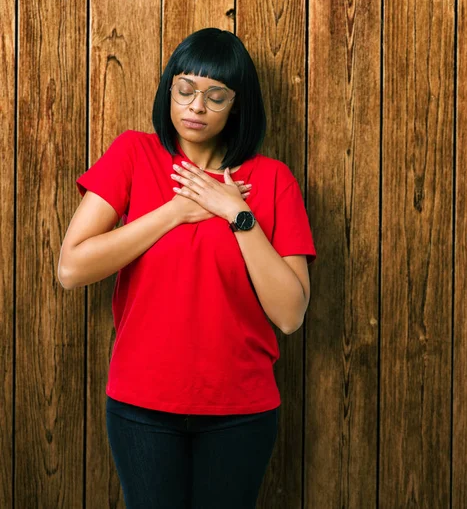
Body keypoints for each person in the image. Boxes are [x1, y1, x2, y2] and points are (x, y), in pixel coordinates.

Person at [57, 28, 316, 508]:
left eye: (215, 96)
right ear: (169, 91)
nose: (196, 106)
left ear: (236, 105)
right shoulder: (134, 155)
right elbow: (71, 268)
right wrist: (176, 211)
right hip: (142, 405)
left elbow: (290, 315)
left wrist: (236, 214)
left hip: (240, 408)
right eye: (185, 90)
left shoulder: (273, 180)